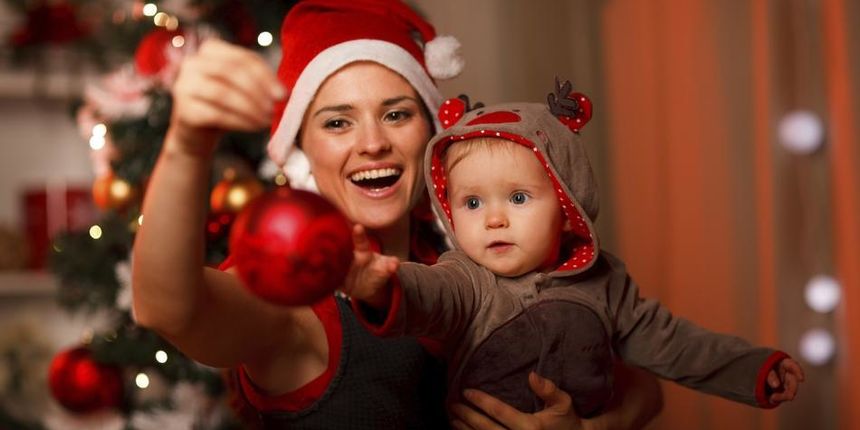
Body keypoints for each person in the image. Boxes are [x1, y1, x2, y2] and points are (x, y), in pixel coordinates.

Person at [131, 0, 663, 428]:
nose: (373, 143)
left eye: (396, 114)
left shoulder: (484, 252)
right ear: (301, 148)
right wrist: (186, 146)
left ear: (432, 134)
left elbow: (642, 387)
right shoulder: (294, 304)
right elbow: (168, 309)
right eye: (338, 123)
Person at [345, 81, 805, 419]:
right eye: (472, 202)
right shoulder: (466, 278)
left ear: (567, 207)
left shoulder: (606, 282)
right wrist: (381, 285)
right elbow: (427, 294)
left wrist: (752, 369)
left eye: (519, 198)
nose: (494, 219)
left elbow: (673, 344)